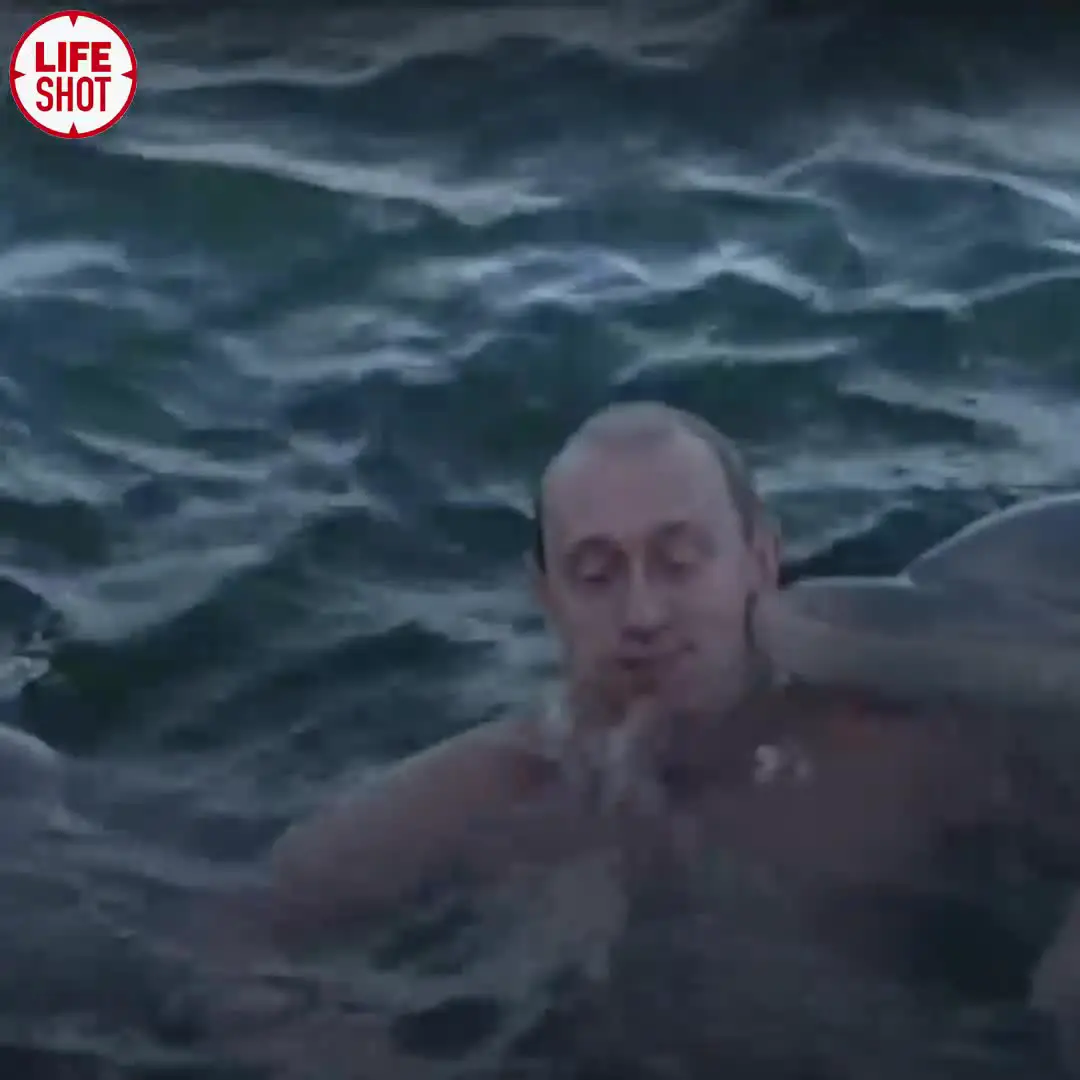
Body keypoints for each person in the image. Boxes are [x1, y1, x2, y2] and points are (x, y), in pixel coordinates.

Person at [248, 401, 1079, 1061]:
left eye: (680, 562)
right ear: (547, 598)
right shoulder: (501, 790)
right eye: (596, 574)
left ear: (762, 560)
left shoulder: (905, 752)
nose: (643, 613)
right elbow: (242, 939)